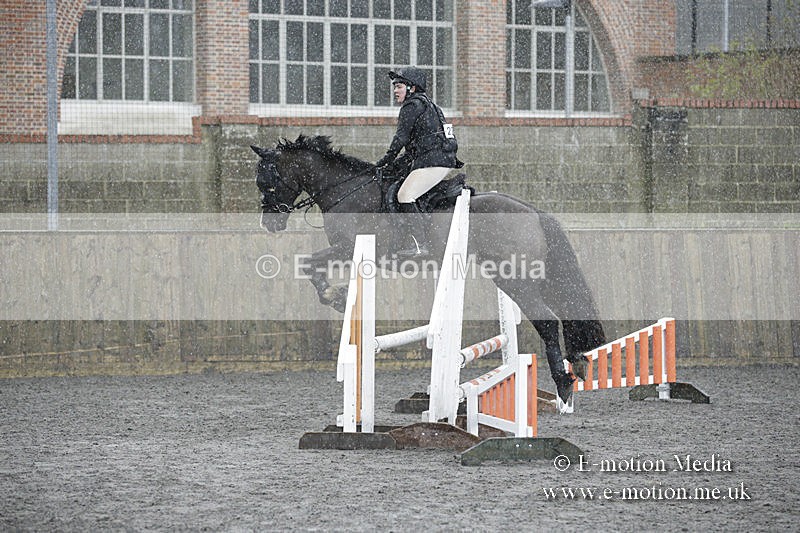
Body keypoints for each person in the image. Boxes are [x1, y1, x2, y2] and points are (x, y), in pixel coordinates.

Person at [375, 67, 462, 257]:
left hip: (434, 161)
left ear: (411, 88)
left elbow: (401, 139)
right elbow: (416, 146)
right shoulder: (428, 105)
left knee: (405, 195)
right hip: (438, 158)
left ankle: (420, 244)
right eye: (395, 87)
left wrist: (383, 161)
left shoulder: (411, 105)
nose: (395, 91)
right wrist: (394, 164)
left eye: (399, 86)